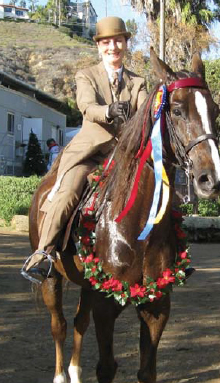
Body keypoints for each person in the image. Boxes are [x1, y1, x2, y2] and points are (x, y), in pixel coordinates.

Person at [21, 16, 148, 283]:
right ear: (99, 46)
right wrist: (109, 111)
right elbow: (87, 107)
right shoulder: (86, 75)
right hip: (90, 154)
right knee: (67, 191)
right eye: (107, 42)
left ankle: (166, 256)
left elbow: (145, 112)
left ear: (125, 44)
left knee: (155, 188)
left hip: (125, 156)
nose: (112, 47)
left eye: (118, 41)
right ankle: (43, 254)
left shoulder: (138, 82)